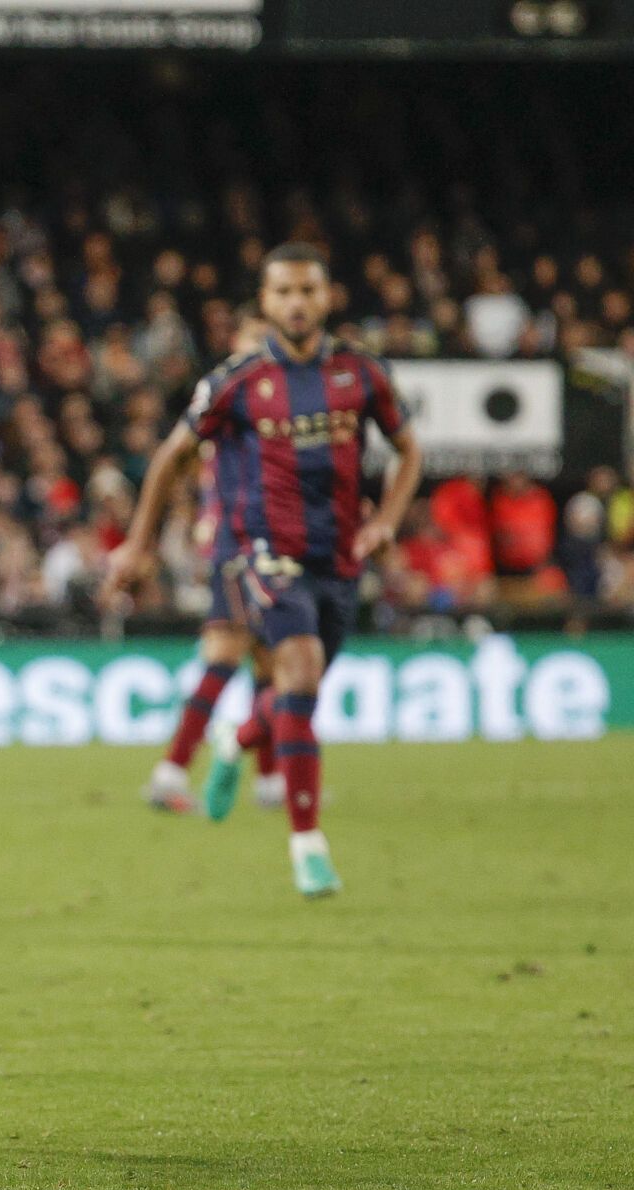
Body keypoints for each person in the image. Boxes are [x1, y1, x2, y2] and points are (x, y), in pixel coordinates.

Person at [107, 243, 422, 897]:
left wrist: (386, 518)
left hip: (339, 559)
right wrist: (138, 545)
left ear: (328, 295)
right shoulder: (239, 379)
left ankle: (235, 739)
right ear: (266, 300)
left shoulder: (361, 374)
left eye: (308, 290)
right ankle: (308, 845)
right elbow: (170, 456)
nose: (297, 303)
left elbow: (409, 450)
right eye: (283, 292)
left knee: (294, 697)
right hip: (263, 556)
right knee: (295, 673)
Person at [144, 311, 282, 815]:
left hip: (273, 546)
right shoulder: (229, 398)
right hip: (238, 545)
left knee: (270, 661)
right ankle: (172, 771)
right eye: (252, 341)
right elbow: (185, 457)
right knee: (226, 655)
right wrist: (206, 518)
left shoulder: (275, 405)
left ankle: (270, 781)